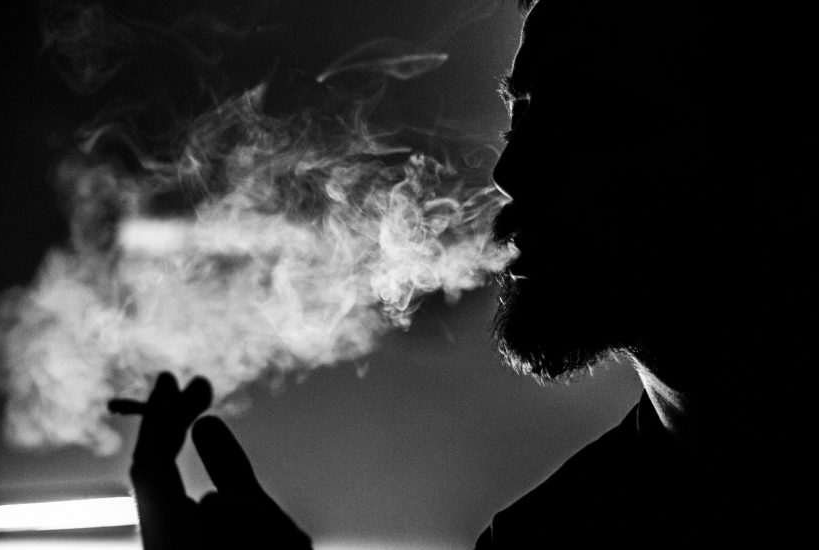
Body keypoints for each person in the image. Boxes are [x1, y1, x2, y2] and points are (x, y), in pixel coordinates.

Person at [122, 0, 816, 547]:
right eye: (518, 120)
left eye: (584, 116)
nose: (511, 171)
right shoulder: (543, 538)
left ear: (755, 146)